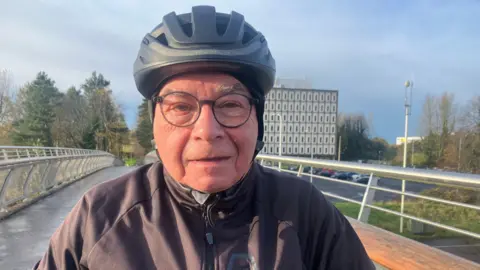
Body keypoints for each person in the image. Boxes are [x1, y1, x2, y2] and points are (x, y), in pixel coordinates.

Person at [34, 5, 375, 270]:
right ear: (154, 123)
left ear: (259, 120)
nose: (207, 131)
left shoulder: (304, 212)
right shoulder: (101, 216)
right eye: (181, 107)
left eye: (230, 105)